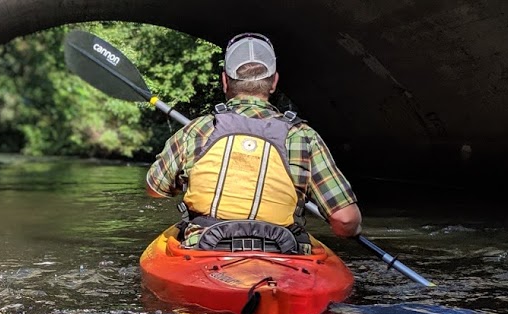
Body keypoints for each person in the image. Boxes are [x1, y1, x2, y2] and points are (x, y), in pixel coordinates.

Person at [145, 33, 362, 253]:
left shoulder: (197, 130)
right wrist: (353, 230)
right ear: (274, 82)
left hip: (206, 249)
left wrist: (189, 178)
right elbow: (345, 220)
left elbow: (155, 188)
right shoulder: (303, 136)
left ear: (225, 81)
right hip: (283, 255)